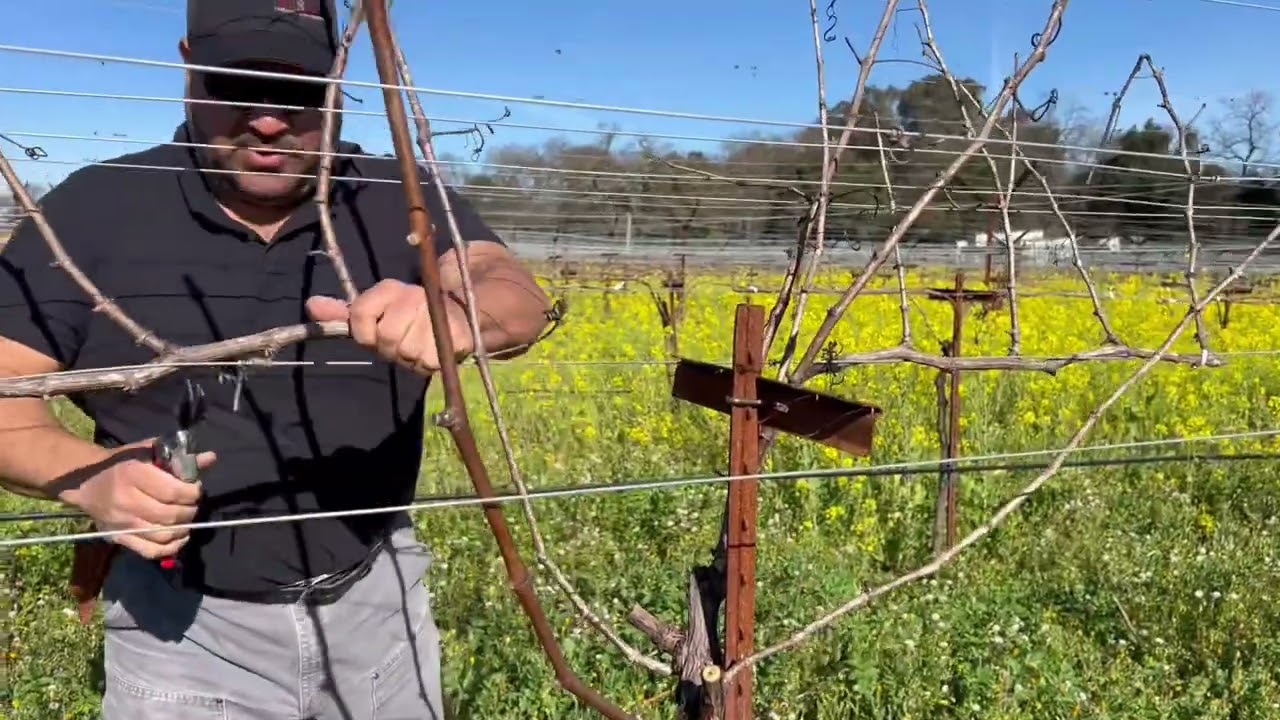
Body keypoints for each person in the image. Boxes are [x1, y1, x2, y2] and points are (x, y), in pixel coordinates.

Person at [0, 0, 550, 717]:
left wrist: (457, 314)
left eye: (301, 92)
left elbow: (514, 292)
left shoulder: (397, 200)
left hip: (379, 602)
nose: (267, 120)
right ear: (188, 61)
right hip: (182, 632)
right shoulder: (91, 212)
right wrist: (89, 480)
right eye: (235, 84)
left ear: (340, 80)